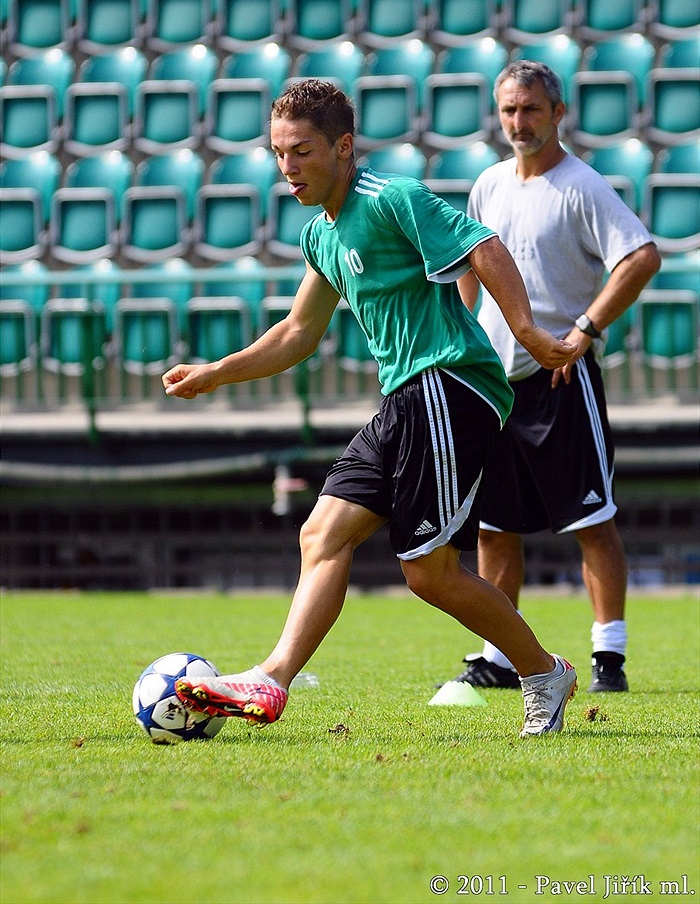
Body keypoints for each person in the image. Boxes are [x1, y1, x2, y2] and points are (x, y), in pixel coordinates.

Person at [162, 79, 578, 737]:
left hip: (449, 387)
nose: (287, 168)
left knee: (430, 574)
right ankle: (271, 679)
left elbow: (484, 245)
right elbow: (298, 332)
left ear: (344, 146)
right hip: (405, 399)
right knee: (321, 534)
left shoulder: (394, 198)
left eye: (301, 151)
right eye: (278, 153)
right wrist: (218, 373)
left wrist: (525, 331)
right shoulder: (320, 237)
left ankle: (543, 674)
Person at [454, 61, 661, 694]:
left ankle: (609, 659)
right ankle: (497, 654)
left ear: (558, 113)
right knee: (494, 525)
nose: (520, 122)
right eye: (510, 110)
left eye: (532, 110)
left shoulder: (582, 186)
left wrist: (584, 330)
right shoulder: (488, 184)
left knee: (590, 520)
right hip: (493, 385)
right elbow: (469, 263)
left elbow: (641, 255)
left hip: (559, 382)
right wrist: (461, 337)